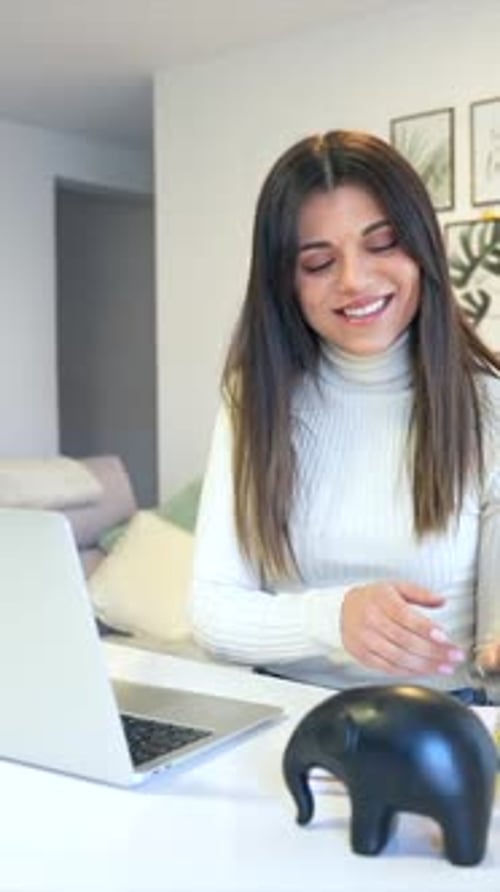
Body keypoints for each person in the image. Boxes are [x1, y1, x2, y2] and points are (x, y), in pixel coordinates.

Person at [189, 129, 500, 692]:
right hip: (280, 716)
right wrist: (333, 620)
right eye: (317, 261)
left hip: (437, 723)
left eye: (382, 244)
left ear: (421, 248)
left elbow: (491, 649)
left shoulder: (487, 404)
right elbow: (212, 613)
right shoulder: (255, 398)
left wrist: (492, 655)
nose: (354, 280)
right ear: (286, 282)